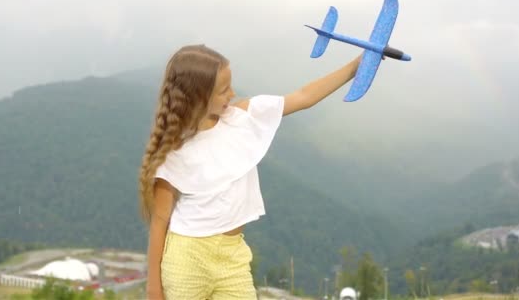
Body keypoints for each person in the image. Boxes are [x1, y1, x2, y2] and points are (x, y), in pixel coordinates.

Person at [138, 44, 361, 299]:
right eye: (223, 91)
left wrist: (356, 66)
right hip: (187, 258)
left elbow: (304, 96)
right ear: (198, 96)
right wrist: (153, 286)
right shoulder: (174, 151)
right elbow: (160, 221)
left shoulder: (243, 118)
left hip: (233, 257)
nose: (232, 94)